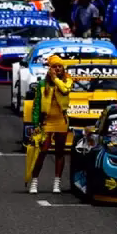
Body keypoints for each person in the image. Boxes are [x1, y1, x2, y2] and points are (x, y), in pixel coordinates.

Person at [27, 56, 73, 194]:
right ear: (50, 68)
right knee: (42, 151)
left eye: (60, 66)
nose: (57, 69)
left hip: (61, 121)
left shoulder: (67, 80)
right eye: (54, 66)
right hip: (46, 121)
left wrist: (55, 79)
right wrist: (35, 123)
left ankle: (57, 183)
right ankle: (34, 181)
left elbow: (65, 90)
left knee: (60, 152)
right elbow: (36, 105)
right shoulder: (42, 84)